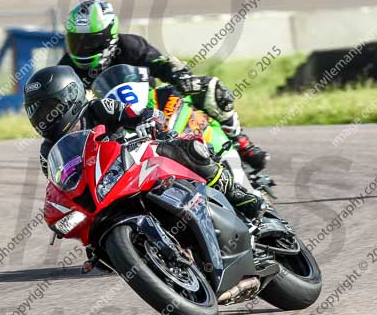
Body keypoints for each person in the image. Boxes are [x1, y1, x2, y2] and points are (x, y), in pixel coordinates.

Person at [24, 65, 264, 219]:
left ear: (71, 98)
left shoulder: (97, 109)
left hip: (139, 162)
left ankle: (235, 193)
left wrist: (147, 117)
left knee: (186, 148)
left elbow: (131, 112)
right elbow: (62, 187)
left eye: (49, 109)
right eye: (36, 112)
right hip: (104, 193)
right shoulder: (48, 151)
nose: (43, 118)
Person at [57, 0, 268, 172]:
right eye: (75, 40)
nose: (81, 48)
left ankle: (241, 142)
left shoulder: (130, 45)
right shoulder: (66, 68)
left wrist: (182, 76)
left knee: (211, 90)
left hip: (153, 106)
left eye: (89, 41)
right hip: (109, 123)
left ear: (108, 37)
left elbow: (161, 63)